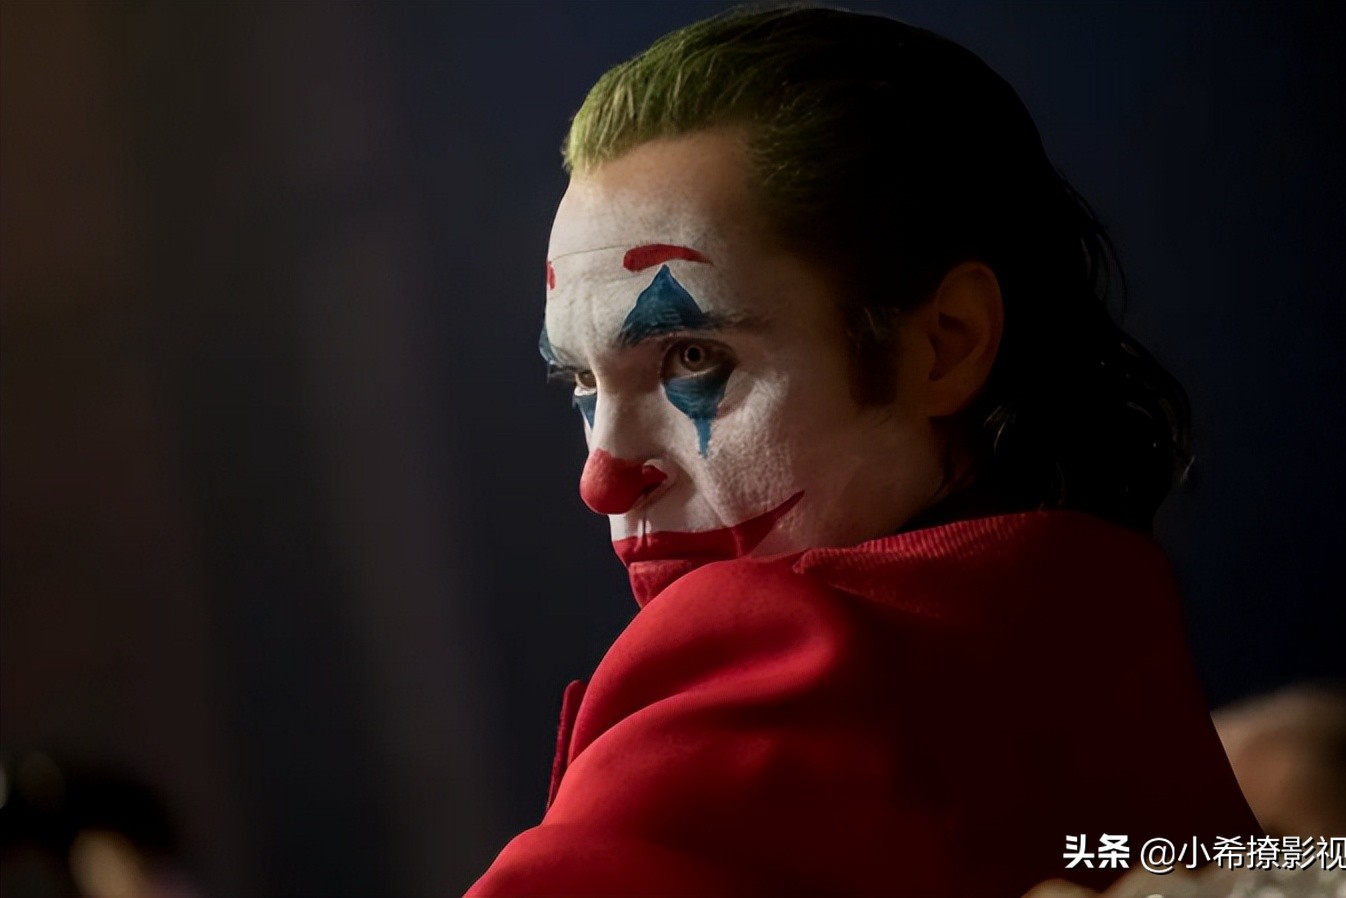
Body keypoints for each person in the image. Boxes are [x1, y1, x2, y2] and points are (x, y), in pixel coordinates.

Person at [467, 7, 1260, 896]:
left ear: (945, 344)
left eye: (692, 357)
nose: (603, 479)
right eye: (580, 380)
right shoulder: (1102, 629)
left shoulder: (790, 654)